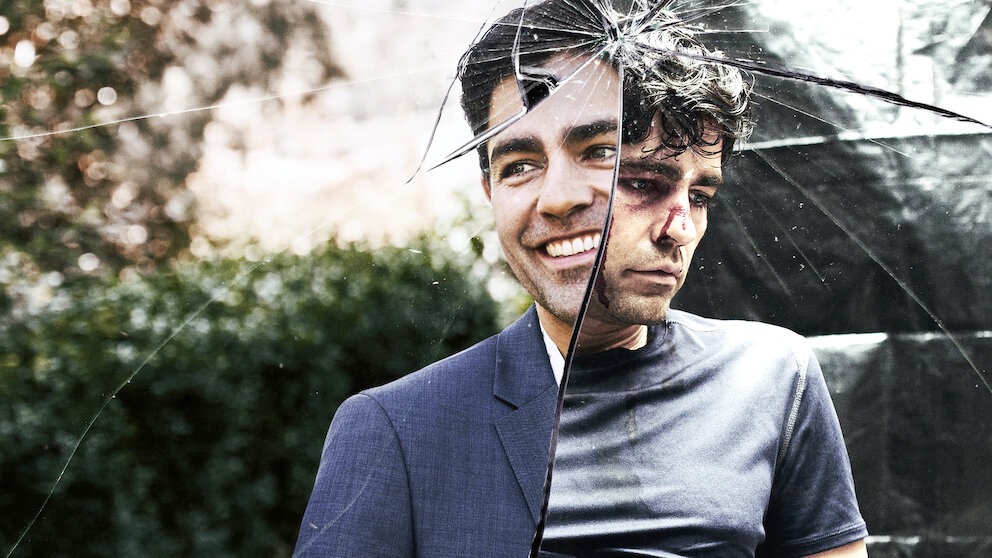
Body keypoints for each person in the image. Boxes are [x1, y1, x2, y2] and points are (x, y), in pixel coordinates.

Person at [294, 1, 868, 556]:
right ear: (490, 191)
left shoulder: (773, 380)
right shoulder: (396, 429)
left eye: (699, 195)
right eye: (519, 165)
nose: (680, 227)